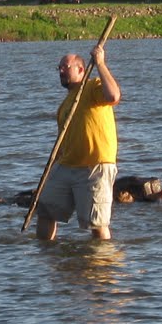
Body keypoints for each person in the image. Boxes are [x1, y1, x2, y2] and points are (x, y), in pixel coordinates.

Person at [35, 41, 120, 241]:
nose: (61, 71)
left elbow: (114, 95)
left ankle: (100, 265)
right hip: (66, 167)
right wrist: (51, 169)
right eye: (59, 68)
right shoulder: (65, 104)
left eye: (66, 67)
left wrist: (100, 63)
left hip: (95, 166)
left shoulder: (93, 87)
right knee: (46, 212)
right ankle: (46, 258)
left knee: (97, 224)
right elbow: (62, 142)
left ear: (81, 69)